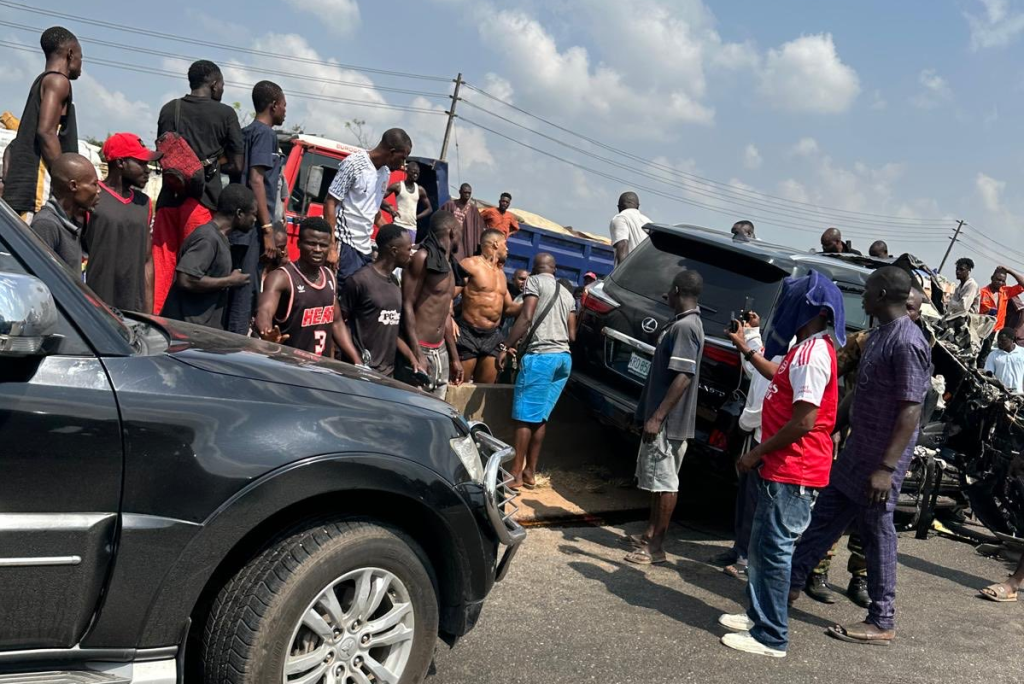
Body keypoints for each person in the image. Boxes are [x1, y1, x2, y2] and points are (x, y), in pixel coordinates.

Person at [787, 267, 931, 647]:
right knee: (823, 519)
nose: (863, 297)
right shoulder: (878, 335)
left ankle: (882, 621)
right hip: (856, 453)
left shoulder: (908, 342)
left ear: (882, 294)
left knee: (876, 536)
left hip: (880, 462)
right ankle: (788, 585)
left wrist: (886, 468)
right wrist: (830, 425)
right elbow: (861, 392)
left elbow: (911, 410)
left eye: (867, 290)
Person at [718, 271, 843, 658]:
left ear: (810, 310)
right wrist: (747, 349)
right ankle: (757, 616)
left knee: (775, 552)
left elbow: (804, 421)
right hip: (782, 467)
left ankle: (771, 637)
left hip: (795, 470)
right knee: (761, 547)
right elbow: (781, 377)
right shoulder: (803, 348)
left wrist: (755, 453)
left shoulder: (812, 354)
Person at [622, 270, 704, 565]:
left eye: (670, 289)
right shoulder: (681, 323)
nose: (665, 294)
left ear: (677, 290)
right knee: (656, 482)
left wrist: (657, 417)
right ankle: (649, 535)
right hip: (662, 420)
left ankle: (656, 547)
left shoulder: (686, 327)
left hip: (669, 424)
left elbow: (683, 376)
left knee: (666, 483)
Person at [153, 60, 244, 314]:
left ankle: (156, 322)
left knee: (162, 268)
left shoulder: (170, 109)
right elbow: (238, 165)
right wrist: (215, 164)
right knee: (195, 270)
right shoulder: (225, 114)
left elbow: (163, 152)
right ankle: (184, 329)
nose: (222, 90)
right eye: (222, 85)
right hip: (201, 202)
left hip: (168, 200)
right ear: (214, 84)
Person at [498, 253, 576, 489]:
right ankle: (530, 472)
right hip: (563, 359)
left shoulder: (534, 282)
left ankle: (515, 474)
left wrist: (507, 346)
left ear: (534, 269)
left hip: (541, 357)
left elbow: (526, 317)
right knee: (540, 417)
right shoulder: (567, 293)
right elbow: (572, 335)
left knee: (524, 418)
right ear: (555, 269)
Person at [716, 311, 781, 579]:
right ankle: (739, 549)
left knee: (756, 503)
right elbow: (755, 366)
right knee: (745, 498)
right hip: (755, 433)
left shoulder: (792, 348)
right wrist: (751, 333)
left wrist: (745, 423)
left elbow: (769, 389)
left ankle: (747, 558)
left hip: (766, 437)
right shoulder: (777, 342)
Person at [226, 80, 288, 336]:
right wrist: (267, 229)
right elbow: (256, 180)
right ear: (273, 105)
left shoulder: (246, 132)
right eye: (284, 106)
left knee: (236, 285)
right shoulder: (265, 134)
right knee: (245, 289)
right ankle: (235, 344)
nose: (285, 111)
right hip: (253, 226)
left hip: (239, 224)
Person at [4, 27, 81, 219]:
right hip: (38, 192)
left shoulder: (43, 81)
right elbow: (46, 132)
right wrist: (66, 179)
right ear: (70, 54)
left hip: (27, 193)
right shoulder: (58, 82)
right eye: (81, 57)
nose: (81, 65)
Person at [323, 129, 412, 290]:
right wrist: (331, 247)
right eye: (403, 158)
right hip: (345, 244)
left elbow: (373, 211)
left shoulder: (385, 173)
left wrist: (398, 238)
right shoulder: (354, 164)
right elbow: (330, 202)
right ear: (392, 152)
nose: (403, 165)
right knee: (341, 293)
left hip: (365, 249)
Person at [82, 133, 160, 313]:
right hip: (95, 306)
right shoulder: (92, 196)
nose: (147, 170)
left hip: (132, 310)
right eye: (141, 163)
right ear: (120, 163)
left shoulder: (144, 203)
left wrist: (148, 313)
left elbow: (147, 260)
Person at [160, 184, 255, 330]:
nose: (255, 219)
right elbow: (186, 279)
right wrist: (230, 281)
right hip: (184, 330)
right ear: (239, 213)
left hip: (198, 330)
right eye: (253, 214)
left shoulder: (220, 239)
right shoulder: (207, 238)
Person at [256, 216, 349, 357]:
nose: (318, 249)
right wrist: (267, 332)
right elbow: (264, 311)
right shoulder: (282, 277)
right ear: (299, 244)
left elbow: (337, 323)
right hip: (289, 364)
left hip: (319, 365)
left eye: (323, 245)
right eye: (312, 244)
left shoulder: (330, 277)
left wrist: (358, 362)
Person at [397, 210, 463, 399]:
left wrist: (454, 357)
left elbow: (444, 313)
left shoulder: (448, 264)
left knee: (435, 412)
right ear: (452, 232)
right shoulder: (422, 258)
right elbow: (407, 304)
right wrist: (416, 352)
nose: (461, 238)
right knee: (412, 409)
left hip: (440, 351)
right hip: (419, 349)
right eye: (460, 232)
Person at [339, 224, 417, 376]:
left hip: (387, 374)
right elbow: (340, 324)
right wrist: (356, 360)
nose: (412, 254)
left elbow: (390, 328)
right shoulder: (359, 281)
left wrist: (412, 358)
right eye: (408, 249)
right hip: (360, 373)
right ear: (394, 251)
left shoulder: (394, 282)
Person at [457, 229, 522, 383]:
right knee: (459, 387)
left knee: (485, 388)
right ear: (495, 244)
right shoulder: (470, 264)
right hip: (468, 333)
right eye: (505, 244)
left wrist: (533, 303)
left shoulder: (501, 274)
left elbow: (508, 309)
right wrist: (449, 317)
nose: (507, 249)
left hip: (492, 336)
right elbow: (448, 295)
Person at [29, 153, 99, 275]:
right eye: (94, 184)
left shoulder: (71, 223)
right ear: (73, 186)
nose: (98, 190)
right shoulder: (47, 224)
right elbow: (39, 275)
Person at [381, 160, 431, 242]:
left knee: (408, 249)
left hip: (412, 227)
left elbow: (429, 209)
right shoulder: (398, 186)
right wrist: (390, 209)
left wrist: (416, 217)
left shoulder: (420, 190)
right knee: (396, 246)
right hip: (398, 224)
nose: (415, 175)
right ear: (407, 171)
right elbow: (379, 198)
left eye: (417, 173)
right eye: (413, 172)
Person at [441, 183, 486, 258]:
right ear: (460, 192)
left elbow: (479, 227)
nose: (467, 195)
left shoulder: (473, 209)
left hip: (466, 240)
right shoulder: (450, 205)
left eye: (469, 193)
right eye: (465, 192)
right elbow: (441, 220)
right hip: (451, 238)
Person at [610, 191, 651, 265]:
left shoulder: (621, 218)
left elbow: (622, 245)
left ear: (619, 207)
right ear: (638, 206)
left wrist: (622, 271)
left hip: (630, 270)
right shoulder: (649, 222)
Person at [979, 265, 1024, 332]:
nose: (1000, 283)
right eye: (998, 279)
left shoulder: (1005, 292)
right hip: (982, 329)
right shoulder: (982, 292)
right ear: (992, 278)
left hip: (997, 330)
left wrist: (1009, 271)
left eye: (1003, 281)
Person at [984, 328, 1024, 393]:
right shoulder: (993, 355)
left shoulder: (1022, 352)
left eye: (1003, 340)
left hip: (1019, 393)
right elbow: (988, 374)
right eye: (998, 340)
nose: (999, 343)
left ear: (1012, 339)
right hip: (1000, 393)